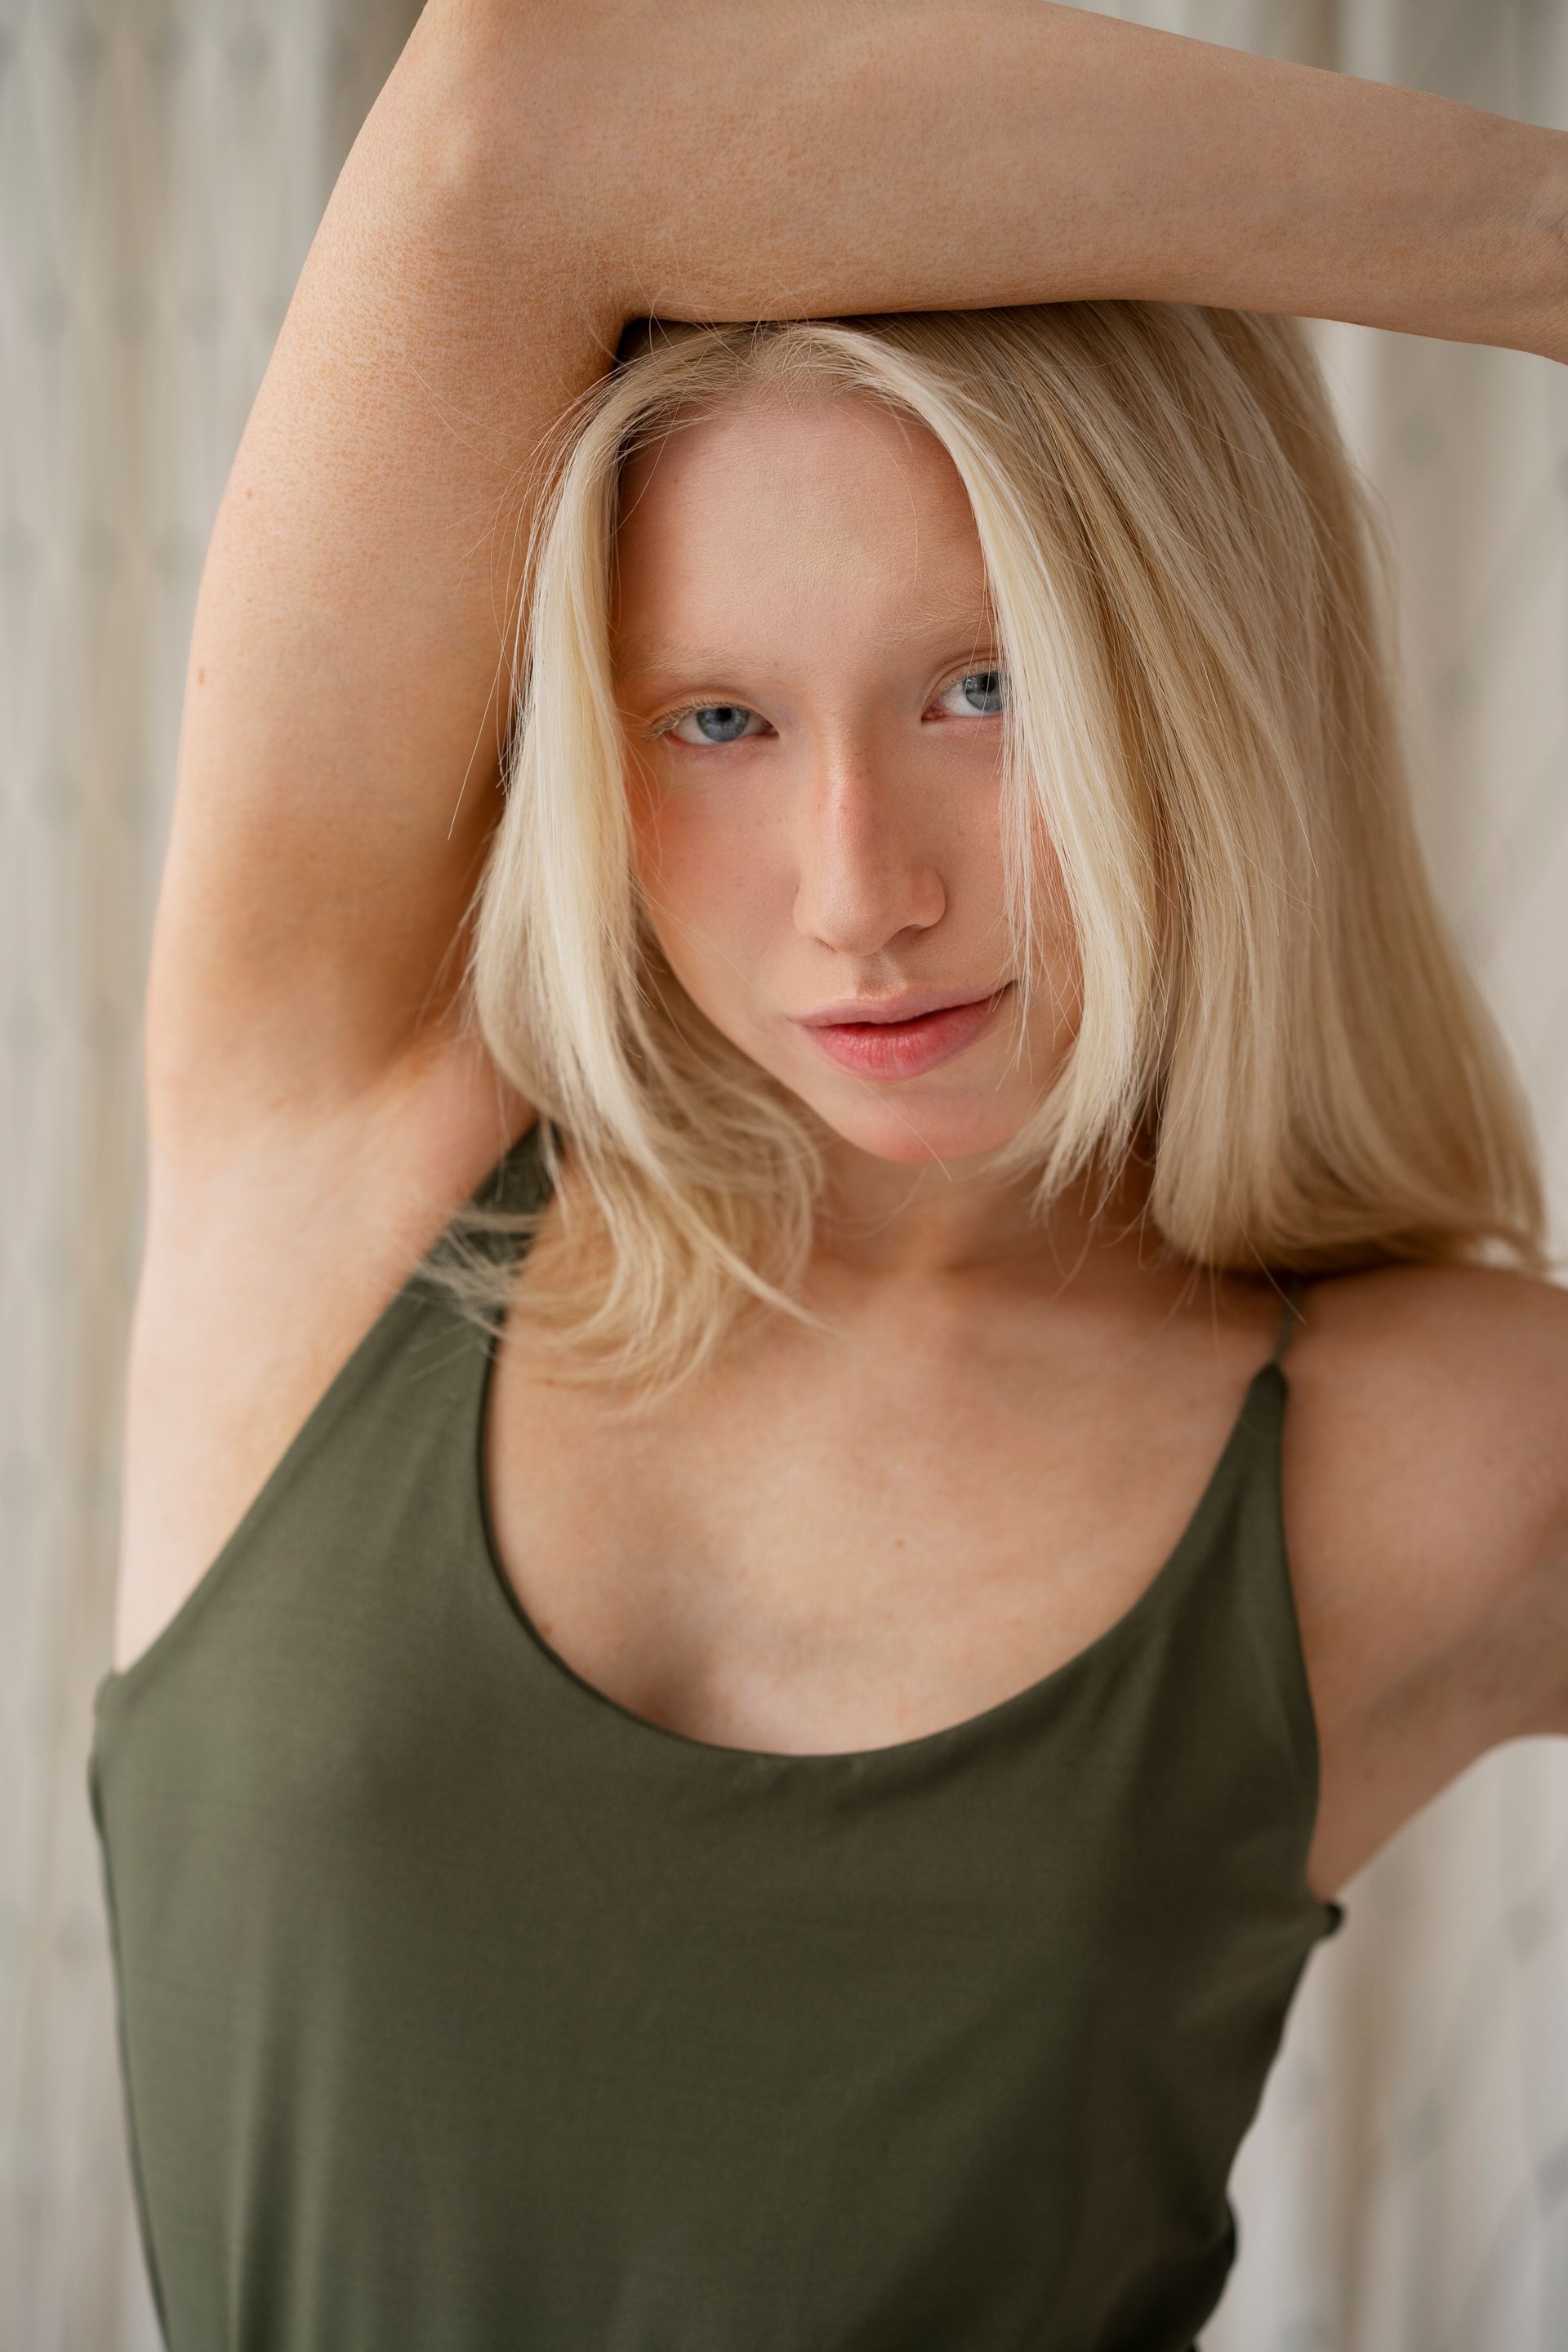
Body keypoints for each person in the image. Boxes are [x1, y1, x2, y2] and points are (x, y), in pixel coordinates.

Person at [91, 2, 1568, 2346]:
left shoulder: (1424, 1448)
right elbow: (516, 112)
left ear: (1195, 684)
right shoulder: (348, 1143)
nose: (862, 889)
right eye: (721, 721)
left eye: (986, 690)